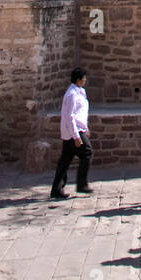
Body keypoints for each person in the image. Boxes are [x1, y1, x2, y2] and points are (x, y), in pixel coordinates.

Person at [50, 67, 93, 199]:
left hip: (77, 130)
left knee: (65, 160)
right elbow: (70, 116)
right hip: (73, 131)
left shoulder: (80, 92)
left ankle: (56, 189)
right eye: (84, 78)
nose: (85, 80)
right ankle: (81, 184)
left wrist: (85, 128)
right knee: (87, 152)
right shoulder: (72, 95)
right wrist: (76, 136)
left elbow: (80, 113)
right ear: (79, 79)